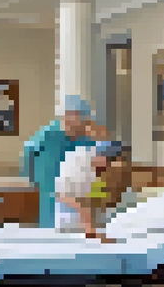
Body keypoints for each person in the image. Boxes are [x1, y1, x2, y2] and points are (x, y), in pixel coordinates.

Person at [23, 95, 108, 228]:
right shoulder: (48, 134)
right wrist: (31, 179)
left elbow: (96, 162)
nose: (75, 121)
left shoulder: (86, 139)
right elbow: (29, 153)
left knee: (77, 226)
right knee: (51, 224)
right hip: (48, 186)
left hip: (77, 193)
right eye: (71, 115)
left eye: (80, 117)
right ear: (64, 116)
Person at [55, 141, 128, 239]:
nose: (108, 167)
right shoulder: (77, 165)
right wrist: (90, 229)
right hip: (71, 221)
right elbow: (68, 197)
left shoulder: (99, 170)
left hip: (91, 221)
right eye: (109, 162)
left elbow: (96, 199)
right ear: (100, 155)